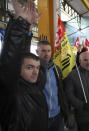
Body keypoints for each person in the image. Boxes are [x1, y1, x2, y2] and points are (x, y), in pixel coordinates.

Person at [0, 0, 48, 131]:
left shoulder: (35, 86)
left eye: (37, 68)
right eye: (30, 68)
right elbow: (11, 59)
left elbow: (24, 57)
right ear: (17, 69)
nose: (35, 72)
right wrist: (20, 26)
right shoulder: (12, 92)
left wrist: (28, 30)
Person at [36, 40, 71, 131]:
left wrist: (64, 111)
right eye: (43, 51)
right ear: (37, 52)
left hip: (58, 115)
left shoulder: (56, 68)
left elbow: (61, 91)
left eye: (48, 51)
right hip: (41, 117)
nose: (46, 54)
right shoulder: (34, 69)